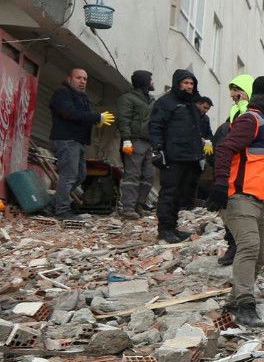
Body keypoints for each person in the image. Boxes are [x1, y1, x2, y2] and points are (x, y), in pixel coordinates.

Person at [207, 75, 264, 329]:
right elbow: (225, 148)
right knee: (248, 247)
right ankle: (245, 306)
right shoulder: (250, 120)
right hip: (239, 198)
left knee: (259, 257)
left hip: (261, 201)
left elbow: (258, 159)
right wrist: (219, 184)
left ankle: (232, 303)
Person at [148, 69, 211, 244]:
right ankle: (164, 229)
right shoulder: (166, 102)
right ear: (178, 83)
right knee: (169, 193)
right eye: (185, 83)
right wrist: (158, 149)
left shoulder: (192, 105)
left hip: (190, 157)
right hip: (172, 156)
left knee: (180, 194)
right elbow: (155, 126)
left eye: (191, 83)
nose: (189, 86)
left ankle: (172, 227)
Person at [49, 67, 113, 222]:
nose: (82, 81)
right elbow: (69, 113)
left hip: (77, 141)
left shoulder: (82, 97)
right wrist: (96, 118)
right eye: (78, 78)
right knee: (69, 175)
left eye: (85, 79)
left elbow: (83, 116)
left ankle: (55, 204)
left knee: (80, 175)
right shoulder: (62, 93)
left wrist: (94, 122)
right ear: (69, 78)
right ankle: (62, 211)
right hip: (66, 140)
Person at [214, 75, 253, 266]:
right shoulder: (235, 114)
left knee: (241, 212)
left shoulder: (250, 115)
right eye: (232, 90)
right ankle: (234, 245)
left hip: (247, 174)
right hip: (233, 171)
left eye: (238, 90)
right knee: (229, 210)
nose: (234, 94)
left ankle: (240, 248)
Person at [115, 70, 155, 219]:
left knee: (148, 176)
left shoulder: (150, 101)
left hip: (149, 142)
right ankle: (128, 208)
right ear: (144, 81)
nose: (153, 82)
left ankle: (139, 204)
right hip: (134, 141)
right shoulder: (127, 99)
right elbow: (123, 119)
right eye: (150, 79)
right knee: (132, 175)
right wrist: (126, 139)